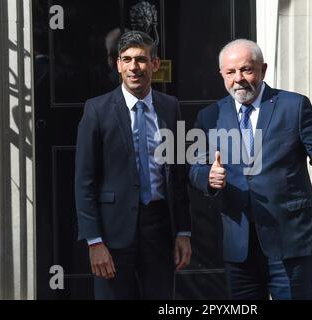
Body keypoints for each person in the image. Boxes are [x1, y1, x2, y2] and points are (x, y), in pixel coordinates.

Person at [189, 39, 312, 300]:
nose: (239, 79)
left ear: (263, 69)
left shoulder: (293, 106)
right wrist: (208, 177)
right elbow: (196, 167)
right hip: (239, 245)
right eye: (231, 72)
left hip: (291, 239)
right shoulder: (210, 116)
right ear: (222, 75)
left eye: (247, 69)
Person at [75, 30, 191, 300]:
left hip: (159, 230)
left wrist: (183, 232)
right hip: (112, 235)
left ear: (155, 64)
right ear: (117, 65)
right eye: (126, 60)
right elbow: (84, 181)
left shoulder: (170, 107)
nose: (133, 67)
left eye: (140, 59)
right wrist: (94, 241)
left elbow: (177, 175)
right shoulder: (96, 110)